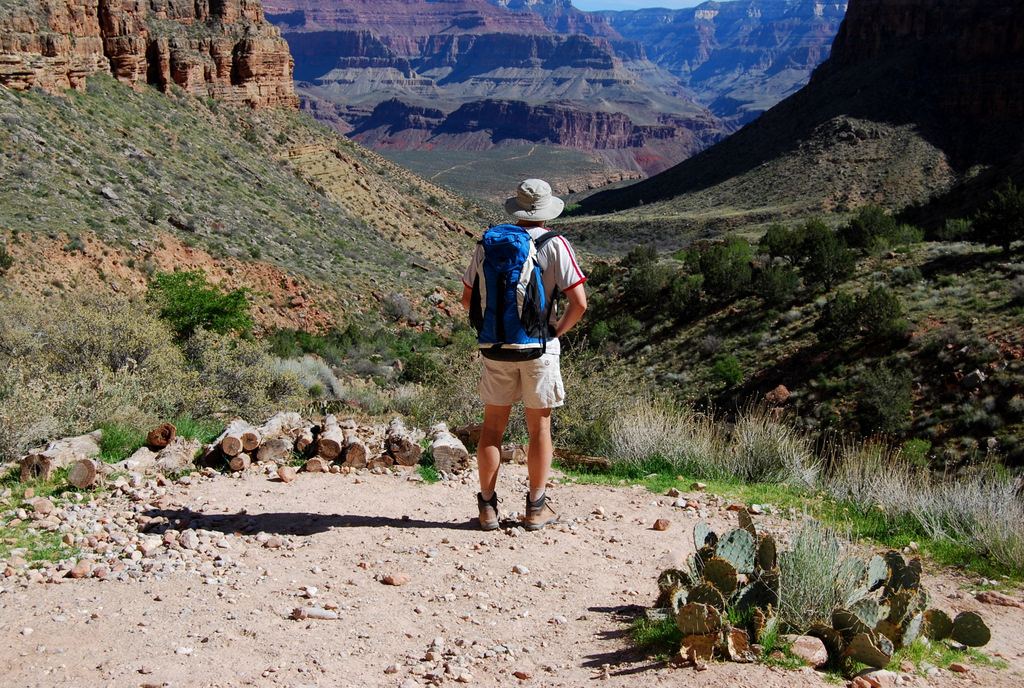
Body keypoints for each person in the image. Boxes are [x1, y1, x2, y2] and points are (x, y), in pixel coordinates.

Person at [460, 179, 587, 531]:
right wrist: (554, 331)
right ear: (547, 210)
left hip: (496, 347)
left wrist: (492, 330)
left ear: (516, 208)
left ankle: (487, 508)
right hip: (538, 348)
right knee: (539, 427)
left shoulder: (490, 244)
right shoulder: (555, 244)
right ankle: (536, 508)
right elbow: (579, 304)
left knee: (492, 428)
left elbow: (468, 300)